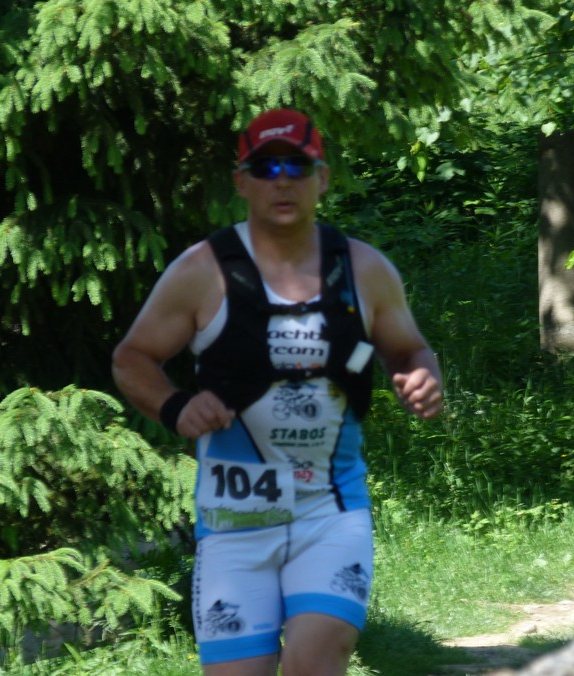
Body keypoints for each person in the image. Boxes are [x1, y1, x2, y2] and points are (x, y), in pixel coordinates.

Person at [112, 108, 443, 675]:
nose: (283, 180)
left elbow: (410, 349)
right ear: (241, 182)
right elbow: (132, 358)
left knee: (313, 661)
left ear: (323, 178)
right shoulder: (203, 270)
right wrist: (176, 406)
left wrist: (421, 376)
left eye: (298, 166)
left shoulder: (363, 269)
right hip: (233, 525)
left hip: (330, 512)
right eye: (266, 168)